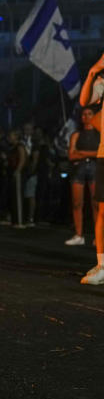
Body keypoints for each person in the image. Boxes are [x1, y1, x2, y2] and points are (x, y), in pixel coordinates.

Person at [78, 52, 104, 284]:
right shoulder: (102, 82)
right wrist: (92, 71)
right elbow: (84, 101)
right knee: (103, 210)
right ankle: (102, 265)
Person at [66, 107, 99, 246]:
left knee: (96, 204)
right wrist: (91, 153)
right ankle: (79, 235)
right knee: (77, 203)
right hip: (78, 169)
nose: (86, 116)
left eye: (89, 114)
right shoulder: (76, 134)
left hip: (95, 169)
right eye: (84, 114)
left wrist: (83, 154)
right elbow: (72, 155)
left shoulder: (100, 134)